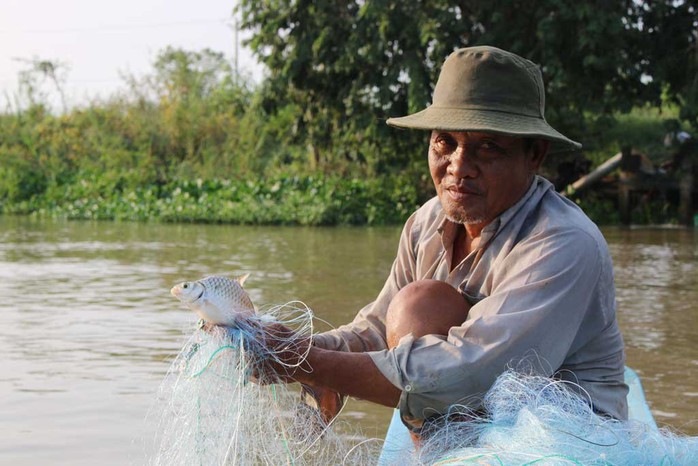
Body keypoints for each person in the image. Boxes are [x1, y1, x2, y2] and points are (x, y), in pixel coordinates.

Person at [263, 45, 628, 441]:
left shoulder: (562, 241)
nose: (458, 167)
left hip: (567, 440)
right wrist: (295, 349)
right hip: (477, 423)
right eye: (445, 142)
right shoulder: (426, 222)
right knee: (412, 308)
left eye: (487, 146)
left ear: (534, 155)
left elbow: (474, 373)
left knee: (421, 307)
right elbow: (378, 326)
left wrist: (310, 364)